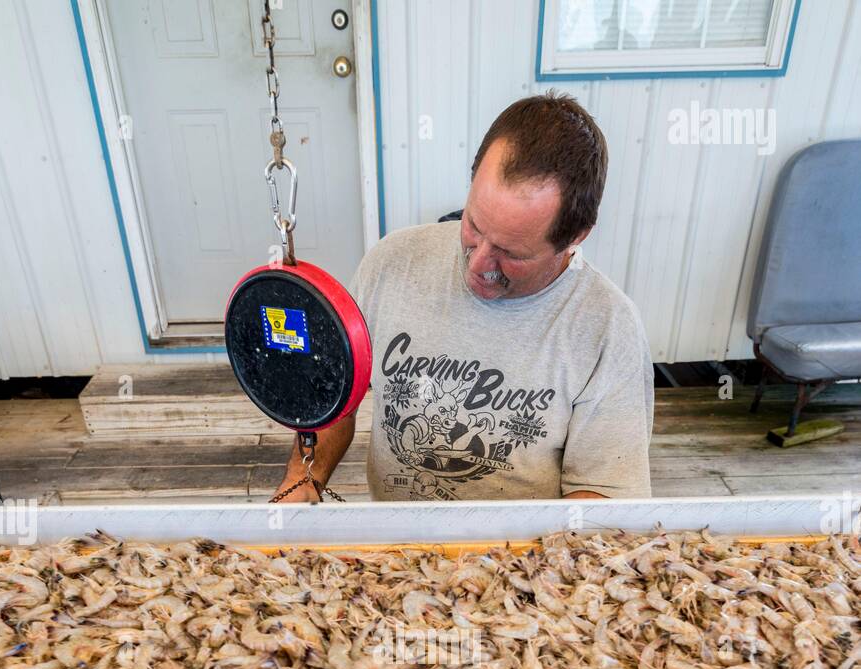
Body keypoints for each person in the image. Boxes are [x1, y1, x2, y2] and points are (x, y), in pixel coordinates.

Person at [271, 92, 653, 504]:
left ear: (575, 238)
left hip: (520, 556)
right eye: (473, 225)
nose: (478, 264)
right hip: (395, 546)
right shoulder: (391, 263)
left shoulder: (608, 328)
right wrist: (301, 482)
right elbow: (334, 399)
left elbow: (602, 497)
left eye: (511, 253)